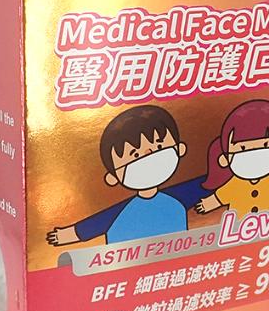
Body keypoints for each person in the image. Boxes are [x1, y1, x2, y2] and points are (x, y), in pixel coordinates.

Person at [47, 105, 207, 246]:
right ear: (113, 177)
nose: (148, 156)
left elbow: (207, 184)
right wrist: (65, 235)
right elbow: (95, 224)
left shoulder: (178, 197)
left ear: (179, 150)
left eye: (158, 147)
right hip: (125, 262)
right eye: (135, 155)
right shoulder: (121, 212)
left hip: (174, 258)